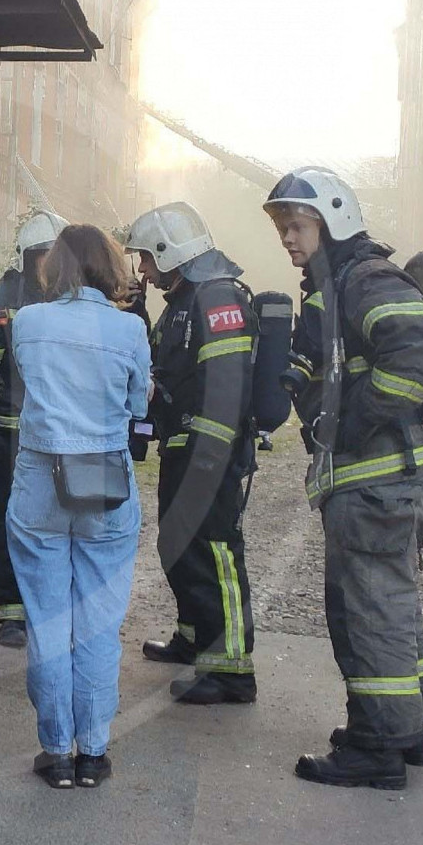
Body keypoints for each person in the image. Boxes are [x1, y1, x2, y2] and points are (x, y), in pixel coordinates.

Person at [264, 166, 423, 790]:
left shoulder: (364, 278)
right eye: (283, 227)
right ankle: (406, 728)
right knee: (385, 608)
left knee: (369, 614)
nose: (288, 238)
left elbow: (420, 352)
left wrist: (350, 419)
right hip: (374, 485)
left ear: (334, 219)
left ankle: (377, 748)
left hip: (379, 482)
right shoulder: (333, 286)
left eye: (297, 225)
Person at [5, 224, 150, 789]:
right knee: (98, 623)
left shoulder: (29, 322)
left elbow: (26, 385)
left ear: (54, 265)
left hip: (40, 476)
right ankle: (93, 752)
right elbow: (139, 403)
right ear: (107, 267)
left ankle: (56, 752)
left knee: (47, 619)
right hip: (104, 478)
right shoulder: (130, 328)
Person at [122, 202, 260, 705]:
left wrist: (208, 458)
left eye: (146, 258)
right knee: (179, 547)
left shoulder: (218, 298)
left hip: (210, 454)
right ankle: (194, 637)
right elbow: (165, 370)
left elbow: (226, 388)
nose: (142, 268)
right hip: (185, 447)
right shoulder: (183, 300)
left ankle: (231, 670)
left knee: (215, 552)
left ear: (168, 250)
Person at [0, 208, 66, 649]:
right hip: (6, 436)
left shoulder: (72, 300)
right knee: (3, 520)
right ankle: (10, 613)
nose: (52, 264)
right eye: (44, 255)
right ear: (27, 257)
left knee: (56, 521)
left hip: (58, 437)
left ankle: (49, 607)